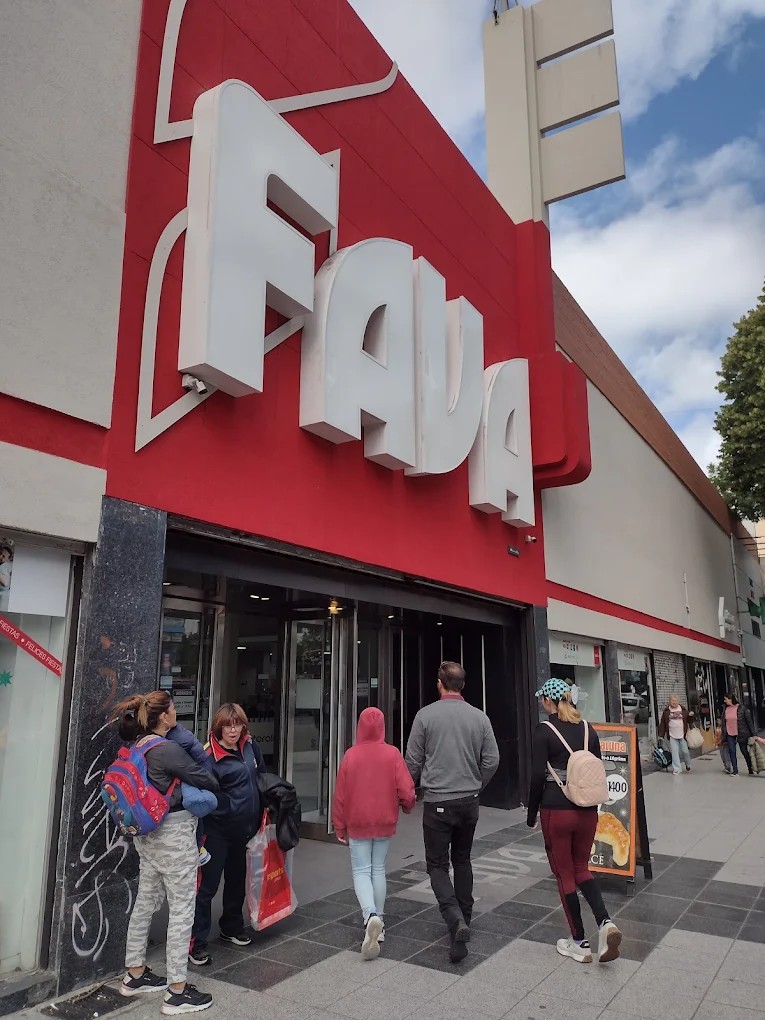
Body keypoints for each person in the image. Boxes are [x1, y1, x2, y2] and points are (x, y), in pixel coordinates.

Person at [114, 692, 220, 1015]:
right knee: (182, 909)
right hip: (174, 836)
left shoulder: (140, 746)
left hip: (147, 836)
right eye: (173, 709)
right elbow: (208, 779)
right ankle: (177, 991)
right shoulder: (168, 749)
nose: (176, 713)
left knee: (145, 901)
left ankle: (134, 974)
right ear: (163, 717)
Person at [405, 661, 499, 964]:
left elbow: (412, 761)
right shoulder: (479, 717)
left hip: (437, 802)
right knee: (462, 859)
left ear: (439, 683)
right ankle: (464, 919)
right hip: (469, 801)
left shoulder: (425, 716)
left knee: (436, 865)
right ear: (463, 685)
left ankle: (454, 918)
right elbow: (492, 759)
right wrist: (477, 784)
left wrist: (408, 791)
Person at [527, 678, 621, 966]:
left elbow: (536, 776)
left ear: (549, 701)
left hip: (557, 810)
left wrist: (531, 814)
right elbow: (596, 769)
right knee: (582, 868)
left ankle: (579, 942)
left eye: (542, 699)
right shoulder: (588, 729)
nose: (541, 703)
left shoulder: (544, 730)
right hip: (587, 810)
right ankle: (605, 922)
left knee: (564, 874)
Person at [332, 707, 416, 960]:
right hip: (384, 820)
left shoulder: (351, 755)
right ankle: (379, 923)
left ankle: (370, 915)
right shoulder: (392, 753)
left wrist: (339, 825)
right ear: (382, 727)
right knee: (378, 869)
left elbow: (340, 795)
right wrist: (407, 805)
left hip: (357, 822)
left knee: (361, 871)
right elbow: (406, 789)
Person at [189, 703, 265, 967]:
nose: (233, 730)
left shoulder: (250, 747)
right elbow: (203, 794)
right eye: (228, 726)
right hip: (216, 832)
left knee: (236, 880)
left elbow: (260, 777)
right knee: (206, 888)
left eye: (238, 724)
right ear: (218, 727)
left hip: (244, 831)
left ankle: (231, 927)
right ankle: (196, 942)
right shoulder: (208, 756)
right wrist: (228, 808)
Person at [167, 720, 214, 866]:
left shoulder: (173, 740)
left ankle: (198, 848)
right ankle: (199, 848)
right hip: (194, 782)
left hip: (179, 817)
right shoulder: (182, 735)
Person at [658, 695, 694, 776]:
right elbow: (663, 723)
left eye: (675, 700)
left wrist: (691, 716)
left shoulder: (683, 710)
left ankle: (688, 765)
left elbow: (690, 721)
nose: (674, 702)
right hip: (672, 735)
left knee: (685, 751)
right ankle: (677, 769)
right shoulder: (666, 711)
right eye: (672, 700)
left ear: (678, 701)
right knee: (674, 753)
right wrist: (661, 735)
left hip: (682, 735)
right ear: (669, 701)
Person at [722, 693, 756, 776]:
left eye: (726, 699)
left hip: (741, 733)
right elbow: (724, 722)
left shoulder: (742, 708)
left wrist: (754, 734)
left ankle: (750, 768)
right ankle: (735, 770)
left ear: (731, 699)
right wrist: (723, 732)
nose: (724, 701)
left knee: (744, 751)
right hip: (729, 733)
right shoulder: (725, 709)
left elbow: (749, 722)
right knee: (732, 751)